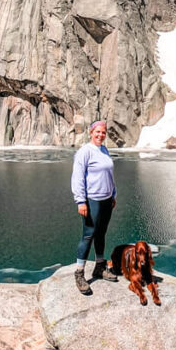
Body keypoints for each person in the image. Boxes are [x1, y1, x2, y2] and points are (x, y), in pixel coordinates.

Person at [70, 119, 118, 294]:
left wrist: (113, 194)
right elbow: (78, 177)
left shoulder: (104, 150)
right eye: (97, 132)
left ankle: (99, 267)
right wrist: (81, 201)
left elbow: (109, 174)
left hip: (106, 200)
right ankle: (79, 273)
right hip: (92, 200)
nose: (100, 135)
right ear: (91, 132)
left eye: (103, 132)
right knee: (88, 235)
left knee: (101, 233)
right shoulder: (85, 152)